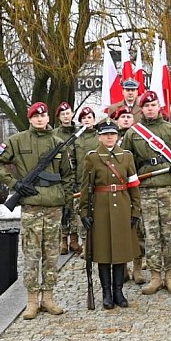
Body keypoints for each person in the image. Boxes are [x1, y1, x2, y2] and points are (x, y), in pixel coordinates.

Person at [0, 102, 74, 319]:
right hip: (32, 207)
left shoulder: (58, 143)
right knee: (32, 256)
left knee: (51, 256)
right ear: (30, 119)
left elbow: (68, 176)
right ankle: (32, 301)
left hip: (54, 206)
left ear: (48, 119)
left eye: (43, 116)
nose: (40, 119)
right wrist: (15, 184)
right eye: (36, 116)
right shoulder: (17, 141)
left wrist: (67, 204)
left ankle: (49, 298)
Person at [121, 91, 171, 295]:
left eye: (153, 105)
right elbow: (125, 161)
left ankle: (170, 275)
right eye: (146, 106)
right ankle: (155, 276)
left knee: (170, 234)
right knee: (150, 235)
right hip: (145, 189)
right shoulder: (133, 133)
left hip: (169, 187)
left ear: (159, 106)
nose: (150, 108)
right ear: (142, 109)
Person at [79, 119, 142, 309]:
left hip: (122, 206)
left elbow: (133, 185)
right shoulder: (92, 158)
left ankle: (118, 292)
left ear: (118, 136)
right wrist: (84, 211)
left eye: (112, 134)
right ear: (99, 137)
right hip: (101, 209)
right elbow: (86, 187)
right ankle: (106, 293)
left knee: (121, 252)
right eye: (106, 134)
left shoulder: (127, 156)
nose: (109, 137)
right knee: (104, 253)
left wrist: (135, 209)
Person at [110, 106, 146, 284]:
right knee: (118, 231)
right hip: (116, 192)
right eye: (122, 117)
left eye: (128, 116)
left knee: (137, 230)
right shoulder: (109, 139)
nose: (125, 119)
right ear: (117, 121)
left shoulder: (140, 136)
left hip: (135, 188)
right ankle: (122, 268)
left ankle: (138, 267)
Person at [70, 106, 101, 259]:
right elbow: (72, 162)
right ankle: (86, 245)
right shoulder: (76, 138)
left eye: (89, 117)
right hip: (80, 182)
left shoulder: (100, 136)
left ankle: (99, 244)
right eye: (84, 118)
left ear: (94, 120)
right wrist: (72, 181)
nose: (87, 120)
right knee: (81, 214)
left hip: (98, 182)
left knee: (99, 213)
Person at [53, 102, 83, 256]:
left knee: (75, 209)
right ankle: (63, 240)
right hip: (61, 175)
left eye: (68, 113)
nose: (66, 116)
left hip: (77, 175)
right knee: (64, 209)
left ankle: (74, 239)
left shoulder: (79, 132)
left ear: (72, 114)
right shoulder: (54, 134)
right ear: (59, 117)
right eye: (63, 114)